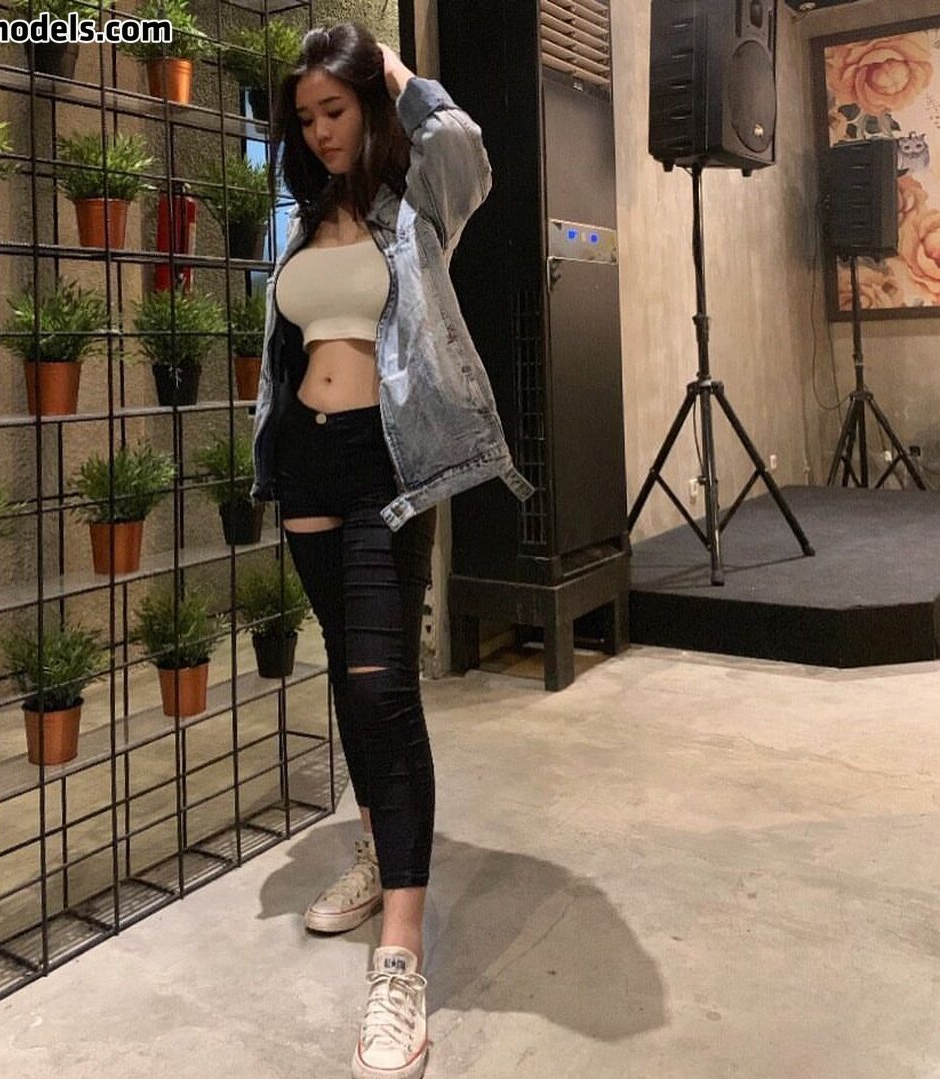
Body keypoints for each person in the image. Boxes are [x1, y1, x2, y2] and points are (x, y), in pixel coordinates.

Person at [248, 21, 535, 1079]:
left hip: (389, 464)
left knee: (383, 686)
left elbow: (463, 144)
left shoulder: (418, 202)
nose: (320, 132)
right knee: (348, 672)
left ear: (367, 103)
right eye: (305, 118)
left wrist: (393, 65)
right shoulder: (305, 217)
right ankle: (377, 847)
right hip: (306, 465)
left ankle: (401, 957)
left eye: (335, 109)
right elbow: (294, 348)